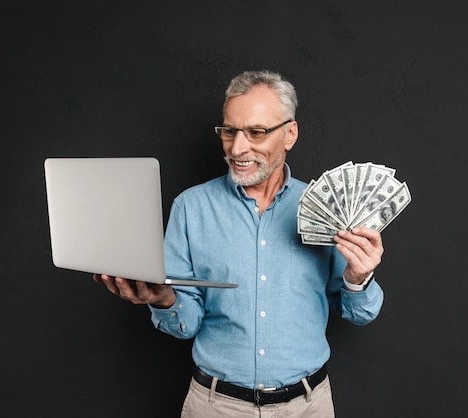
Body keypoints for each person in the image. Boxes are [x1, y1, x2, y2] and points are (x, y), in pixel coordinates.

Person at [93, 70, 385, 417]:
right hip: (215, 407)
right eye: (229, 131)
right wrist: (163, 299)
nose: (237, 147)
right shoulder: (191, 207)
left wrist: (359, 277)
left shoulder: (328, 209)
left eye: (256, 132)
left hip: (307, 408)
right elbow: (185, 323)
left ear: (290, 133)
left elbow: (359, 312)